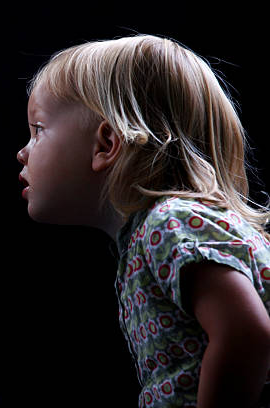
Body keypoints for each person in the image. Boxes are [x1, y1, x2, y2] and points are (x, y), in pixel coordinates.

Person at [17, 34, 270, 407]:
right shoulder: (159, 231)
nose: (23, 152)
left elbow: (246, 333)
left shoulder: (168, 224)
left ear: (106, 144)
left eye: (37, 131)